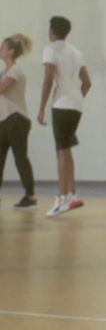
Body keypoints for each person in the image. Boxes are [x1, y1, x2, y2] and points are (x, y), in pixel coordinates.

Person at [37, 15, 90, 217]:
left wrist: (42, 108)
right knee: (66, 149)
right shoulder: (76, 51)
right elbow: (87, 82)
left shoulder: (50, 49)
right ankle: (72, 194)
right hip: (76, 104)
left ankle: (61, 198)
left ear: (53, 31)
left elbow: (48, 79)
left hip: (61, 104)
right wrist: (76, 99)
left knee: (60, 150)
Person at [0, 33, 38, 209]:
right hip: (4, 121)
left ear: (10, 51)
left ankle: (30, 197)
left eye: (3, 47)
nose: (0, 50)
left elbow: (2, 89)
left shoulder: (15, 71)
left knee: (20, 158)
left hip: (17, 119)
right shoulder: (4, 72)